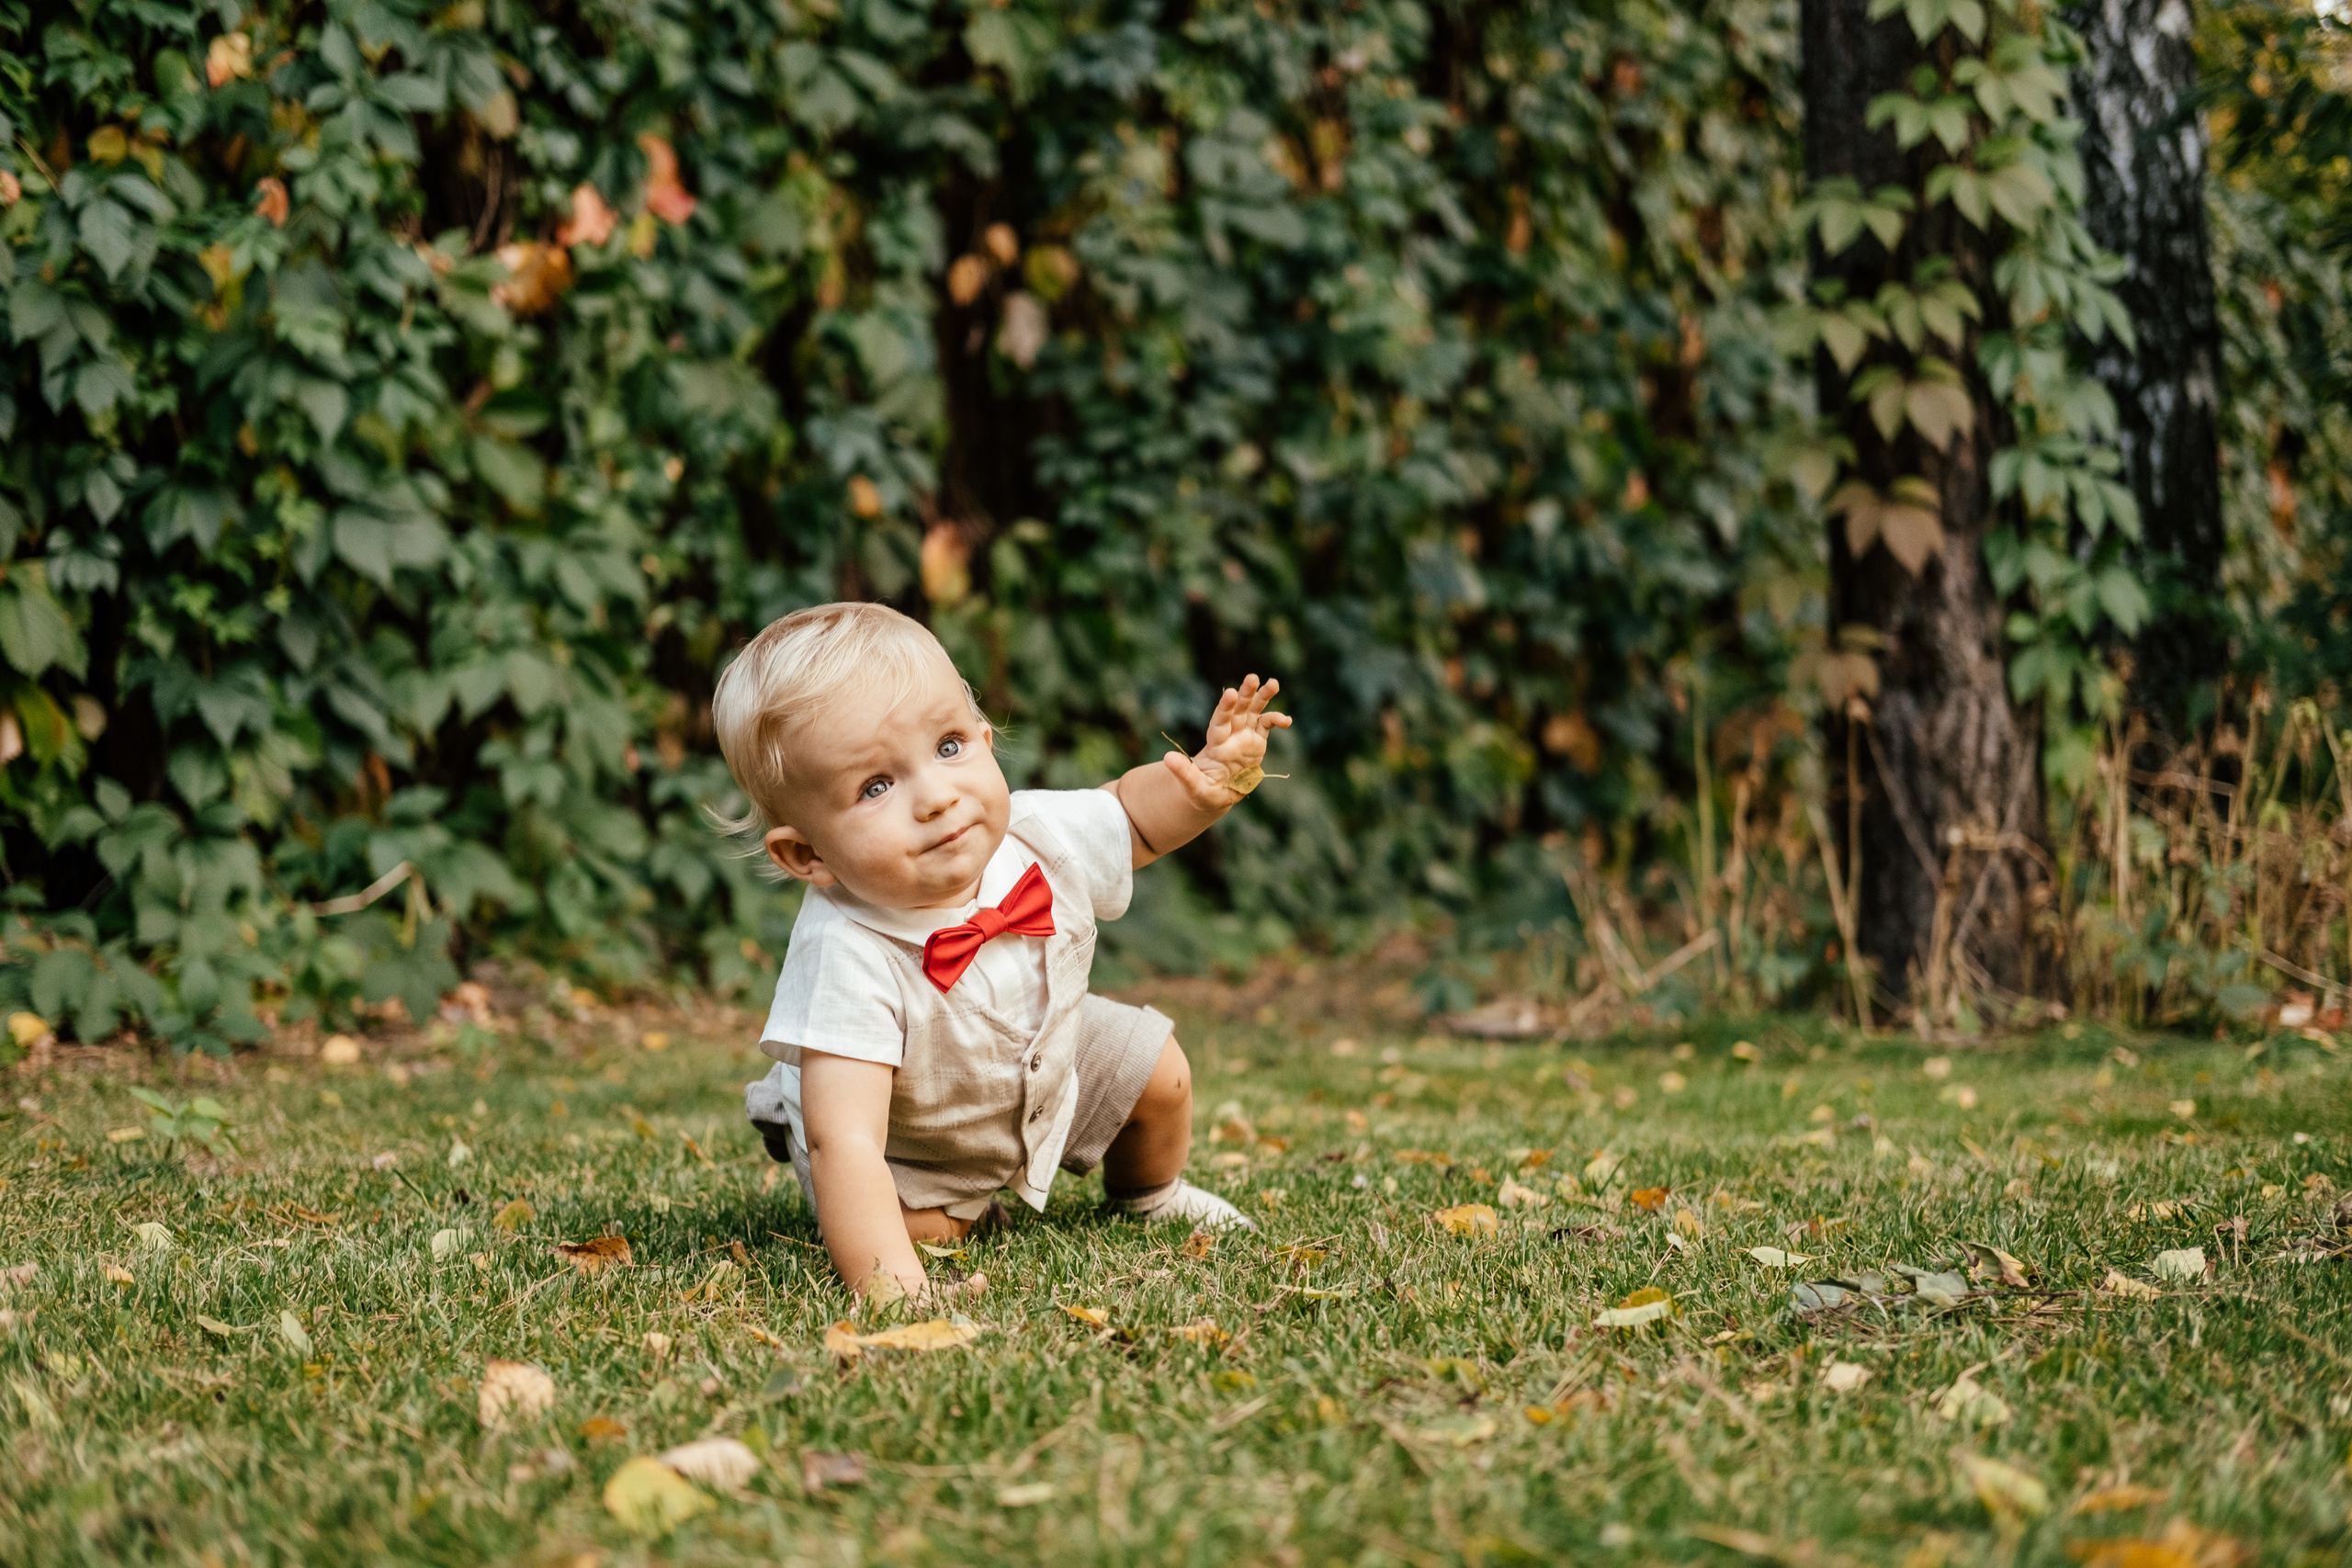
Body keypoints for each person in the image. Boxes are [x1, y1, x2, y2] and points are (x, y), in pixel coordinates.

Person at [715, 603, 1290, 1303]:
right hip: (913, 1141)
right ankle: (953, 1213)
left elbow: (1132, 818)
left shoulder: (1036, 832)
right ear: (807, 853)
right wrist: (896, 1292)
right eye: (875, 786)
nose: (936, 796)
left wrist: (1207, 782)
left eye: (949, 746)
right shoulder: (845, 951)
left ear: (986, 739)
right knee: (921, 1227)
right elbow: (849, 1142)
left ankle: (1149, 1192)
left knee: (1157, 1070)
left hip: (1041, 1060)